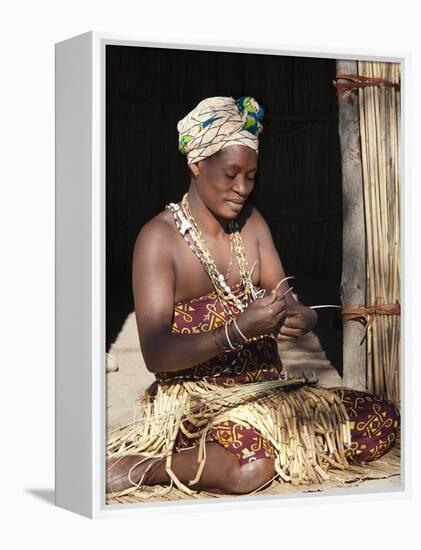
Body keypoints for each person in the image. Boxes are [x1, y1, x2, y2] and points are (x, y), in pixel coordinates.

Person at [106, 96, 399, 496]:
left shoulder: (252, 225)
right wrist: (237, 331)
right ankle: (153, 466)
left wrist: (303, 317)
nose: (242, 188)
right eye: (230, 174)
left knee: (380, 417)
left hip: (268, 397)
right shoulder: (158, 240)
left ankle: (255, 450)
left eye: (251, 176)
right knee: (250, 467)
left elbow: (287, 297)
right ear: (196, 163)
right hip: (199, 404)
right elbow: (156, 354)